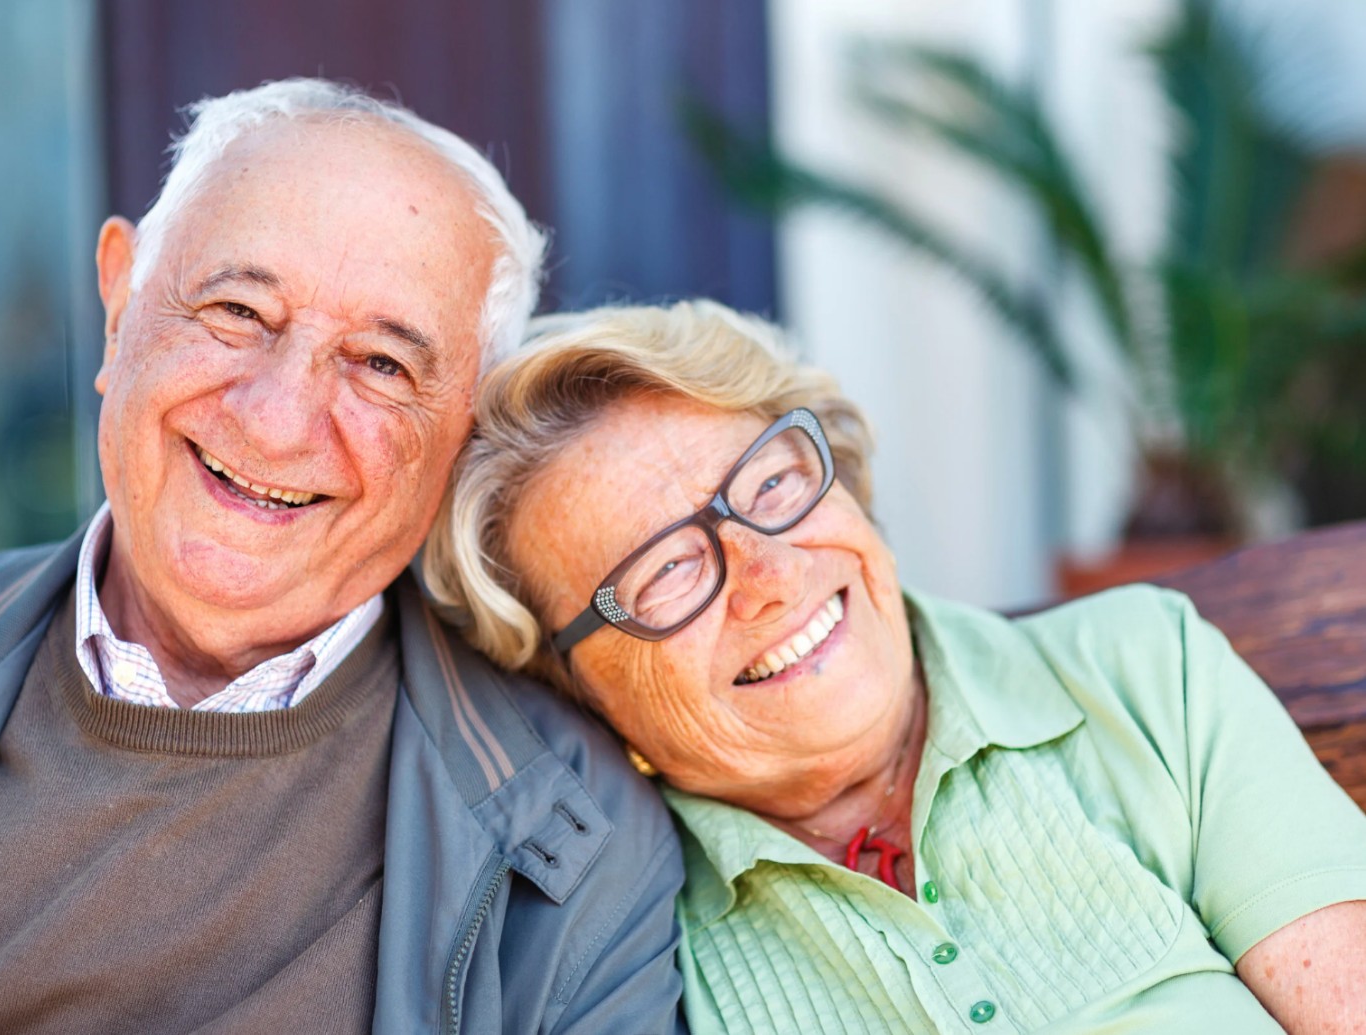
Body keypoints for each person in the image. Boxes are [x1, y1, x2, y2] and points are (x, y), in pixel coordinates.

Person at [0, 80, 685, 1034]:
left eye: (382, 364)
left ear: (466, 431)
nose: (277, 418)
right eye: (238, 311)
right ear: (121, 302)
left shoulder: (578, 847)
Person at [425, 298, 1366, 1034]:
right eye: (667, 568)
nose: (769, 571)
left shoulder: (1142, 670)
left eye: (771, 483)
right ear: (577, 685)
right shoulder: (633, 936)